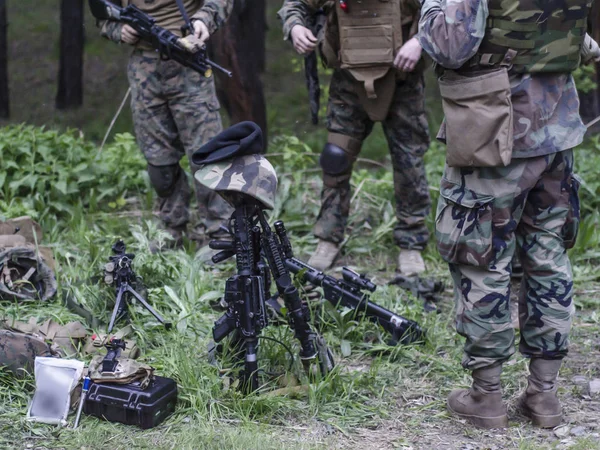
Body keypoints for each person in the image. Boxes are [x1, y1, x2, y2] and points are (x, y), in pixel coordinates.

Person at [418, 0, 600, 428]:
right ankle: (544, 396)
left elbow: (449, 45)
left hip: (494, 135)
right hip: (556, 131)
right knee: (548, 257)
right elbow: (584, 44)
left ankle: (488, 398)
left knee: (480, 260)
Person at [278, 0, 432, 274]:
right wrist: (295, 27)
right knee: (336, 159)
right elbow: (295, 5)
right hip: (348, 83)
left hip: (403, 83)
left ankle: (411, 242)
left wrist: (421, 40)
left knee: (409, 163)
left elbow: (444, 11)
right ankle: (328, 238)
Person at [99, 0, 233, 249]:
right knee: (159, 161)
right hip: (145, 68)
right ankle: (171, 230)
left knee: (208, 155)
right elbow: (102, 14)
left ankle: (221, 234)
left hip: (188, 62)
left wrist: (204, 19)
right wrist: (119, 31)